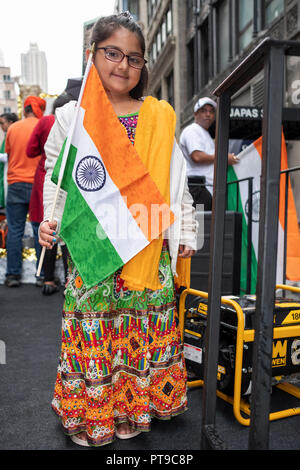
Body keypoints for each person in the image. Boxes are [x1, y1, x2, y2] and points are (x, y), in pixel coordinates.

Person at [39, 12, 197, 447]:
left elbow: (176, 182)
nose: (123, 65)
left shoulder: (160, 115)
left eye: (134, 58)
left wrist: (185, 232)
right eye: (113, 53)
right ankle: (94, 413)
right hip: (93, 244)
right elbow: (59, 179)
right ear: (93, 55)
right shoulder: (72, 117)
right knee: (94, 325)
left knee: (140, 327)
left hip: (146, 241)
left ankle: (131, 408)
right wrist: (50, 225)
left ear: (144, 66)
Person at [26, 93, 73, 295]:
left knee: (49, 227)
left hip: (49, 177)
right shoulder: (80, 118)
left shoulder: (46, 121)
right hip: (73, 181)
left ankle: (48, 280)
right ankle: (69, 280)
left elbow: (31, 150)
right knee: (68, 230)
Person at [4, 96, 46, 287]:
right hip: (37, 185)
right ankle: (42, 275)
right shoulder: (43, 125)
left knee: (14, 230)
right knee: (39, 230)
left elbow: (10, 153)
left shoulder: (13, 128)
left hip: (15, 183)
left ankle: (13, 275)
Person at [179, 97, 239, 210]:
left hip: (206, 188)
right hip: (197, 188)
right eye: (203, 111)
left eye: (211, 112)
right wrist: (223, 158)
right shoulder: (192, 130)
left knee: (205, 224)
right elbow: (196, 156)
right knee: (200, 225)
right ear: (195, 114)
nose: (208, 114)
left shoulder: (204, 133)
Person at [0, 113, 19, 208]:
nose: (1, 126)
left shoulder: (13, 135)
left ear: (10, 123)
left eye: (2, 123)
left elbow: (9, 156)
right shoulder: (8, 135)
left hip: (12, 170)